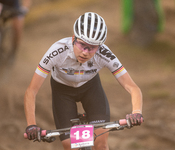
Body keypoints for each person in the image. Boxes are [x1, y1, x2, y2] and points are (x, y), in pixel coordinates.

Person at [24, 12, 143, 150]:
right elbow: (31, 91)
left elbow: (133, 87)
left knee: (101, 145)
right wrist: (31, 124)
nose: (86, 52)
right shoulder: (57, 51)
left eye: (92, 47)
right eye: (82, 45)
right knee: (70, 146)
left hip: (91, 89)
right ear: (74, 38)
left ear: (100, 46)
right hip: (62, 92)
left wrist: (136, 112)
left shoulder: (104, 53)